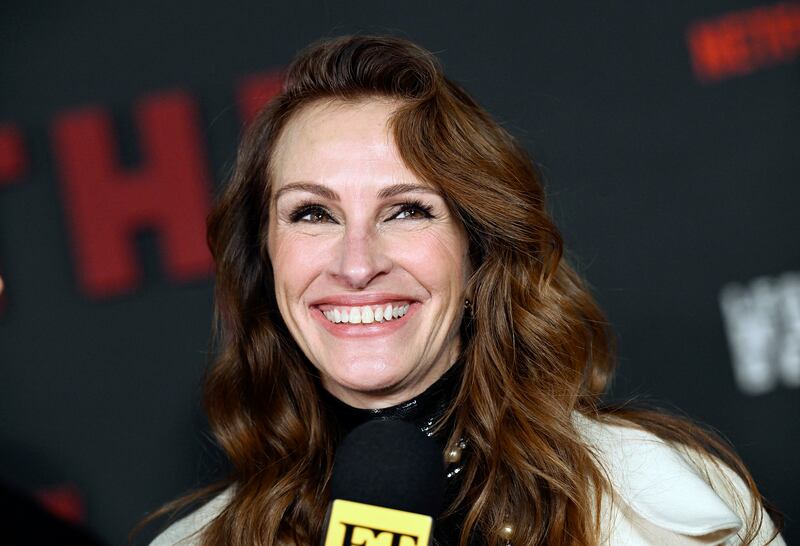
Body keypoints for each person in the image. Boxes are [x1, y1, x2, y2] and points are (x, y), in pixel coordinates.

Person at [143, 35, 784, 545]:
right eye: (313, 213)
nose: (357, 264)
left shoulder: (665, 509)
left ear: (477, 251)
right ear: (266, 257)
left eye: (406, 210)